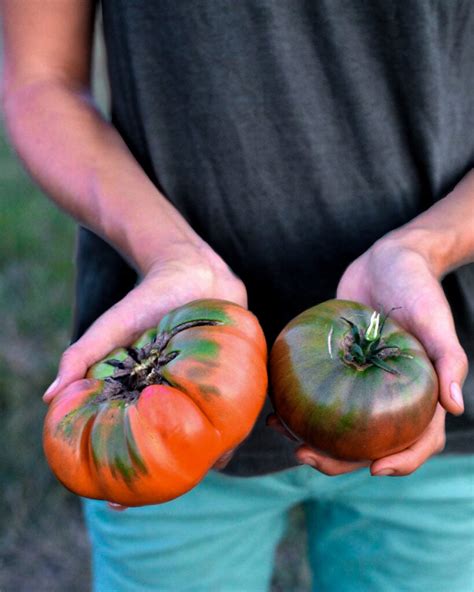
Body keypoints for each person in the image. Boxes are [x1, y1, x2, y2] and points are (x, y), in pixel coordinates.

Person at [2, 1, 473, 590]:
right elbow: (40, 78)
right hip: (158, 386)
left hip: (435, 376)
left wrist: (431, 246)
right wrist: (166, 251)